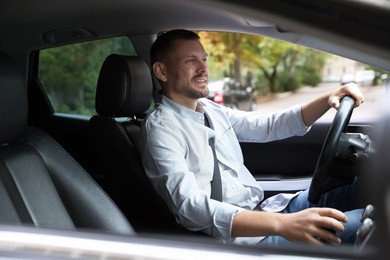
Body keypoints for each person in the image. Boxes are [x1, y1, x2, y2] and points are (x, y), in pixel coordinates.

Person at [138, 29, 365, 247]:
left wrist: (329, 98)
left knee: (362, 184)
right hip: (240, 240)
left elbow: (269, 125)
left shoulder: (209, 110)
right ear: (162, 72)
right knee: (370, 224)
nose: (203, 69)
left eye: (204, 60)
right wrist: (283, 224)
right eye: (190, 61)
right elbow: (190, 207)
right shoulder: (160, 129)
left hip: (265, 212)